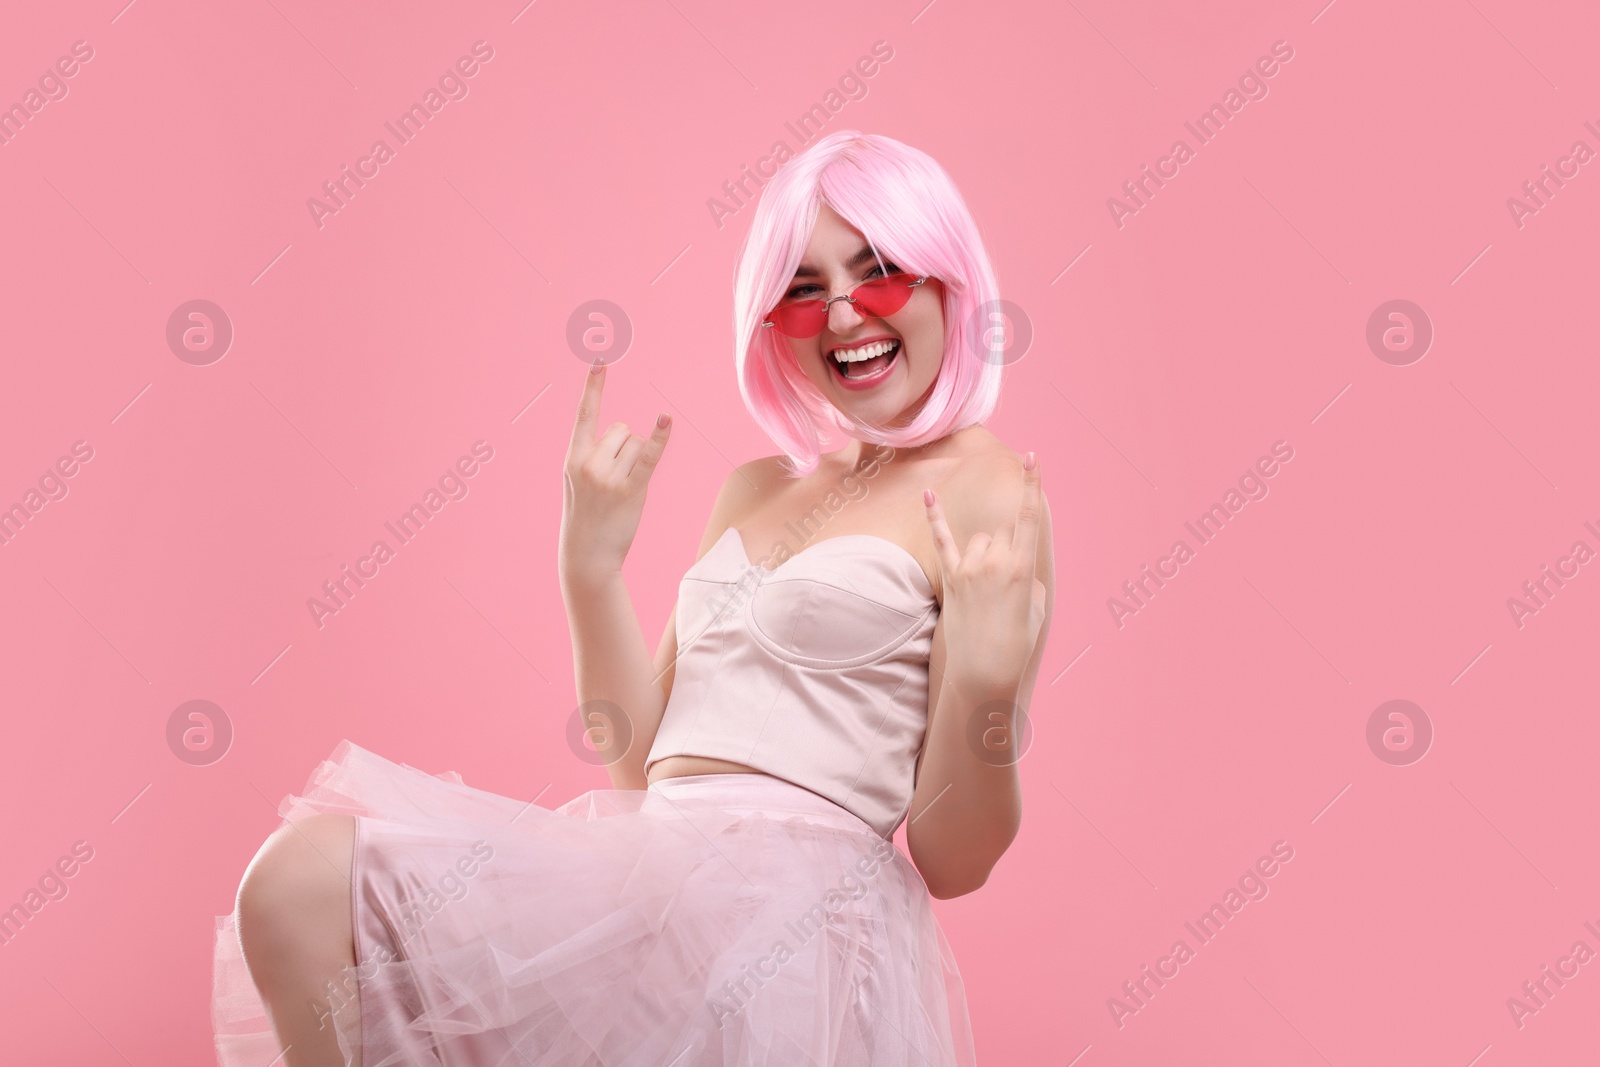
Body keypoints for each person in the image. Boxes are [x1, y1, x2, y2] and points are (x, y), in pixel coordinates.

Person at [211, 129, 1054, 1067]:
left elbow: (953, 860)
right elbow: (645, 773)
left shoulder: (992, 490)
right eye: (804, 290)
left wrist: (982, 683)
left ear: (949, 279)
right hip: (655, 893)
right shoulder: (756, 487)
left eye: (882, 272)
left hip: (801, 944)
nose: (846, 314)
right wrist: (592, 571)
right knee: (301, 883)